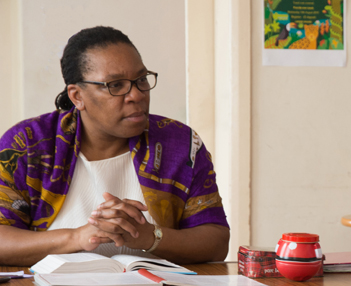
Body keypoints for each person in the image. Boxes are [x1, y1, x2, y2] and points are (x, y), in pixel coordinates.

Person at [0, 26, 230, 266]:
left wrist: (149, 237)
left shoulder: (179, 144)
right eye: (116, 85)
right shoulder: (29, 145)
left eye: (141, 80)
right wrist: (78, 237)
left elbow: (216, 242)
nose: (137, 95)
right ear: (77, 96)